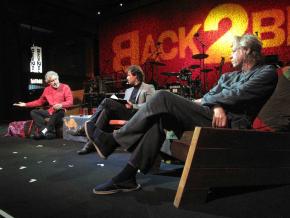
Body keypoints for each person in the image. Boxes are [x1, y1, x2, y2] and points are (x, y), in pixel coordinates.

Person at [86, 34, 278, 195]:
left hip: (231, 123)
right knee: (159, 118)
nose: (230, 54)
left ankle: (113, 141)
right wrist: (217, 104)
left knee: (162, 96)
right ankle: (127, 176)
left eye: (233, 50)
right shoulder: (228, 76)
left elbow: (239, 95)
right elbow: (209, 95)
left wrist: (215, 102)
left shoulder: (266, 72)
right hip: (212, 114)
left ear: (245, 51)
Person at [69, 65, 155, 155]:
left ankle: (84, 129)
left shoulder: (148, 87)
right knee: (106, 111)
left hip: (137, 115)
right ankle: (90, 145)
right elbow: (124, 105)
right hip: (125, 113)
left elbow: (150, 105)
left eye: (129, 75)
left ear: (135, 76)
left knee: (106, 101)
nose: (127, 78)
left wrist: (134, 106)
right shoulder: (128, 90)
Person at [13, 71, 73, 139]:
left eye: (56, 79)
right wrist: (25, 104)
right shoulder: (47, 89)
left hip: (61, 111)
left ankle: (43, 133)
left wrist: (61, 105)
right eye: (52, 81)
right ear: (49, 82)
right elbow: (39, 102)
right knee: (34, 112)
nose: (55, 82)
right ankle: (49, 133)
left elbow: (70, 102)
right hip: (50, 111)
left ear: (58, 78)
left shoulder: (65, 87)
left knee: (59, 111)